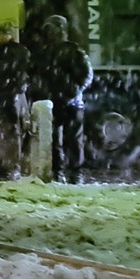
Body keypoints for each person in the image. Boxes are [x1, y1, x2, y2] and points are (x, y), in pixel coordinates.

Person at [31, 14, 91, 181]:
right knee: (55, 140)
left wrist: (73, 91)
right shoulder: (45, 52)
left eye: (53, 29)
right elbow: (38, 75)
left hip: (72, 103)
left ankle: (75, 173)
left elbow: (86, 75)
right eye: (48, 30)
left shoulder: (74, 51)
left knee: (73, 140)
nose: (50, 33)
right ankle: (59, 172)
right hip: (54, 102)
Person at [0, 23, 31, 174]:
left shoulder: (16, 51)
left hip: (9, 95)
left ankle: (12, 165)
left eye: (1, 34)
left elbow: (18, 72)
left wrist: (12, 88)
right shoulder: (5, 50)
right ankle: (5, 164)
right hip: (4, 94)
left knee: (11, 130)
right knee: (2, 130)